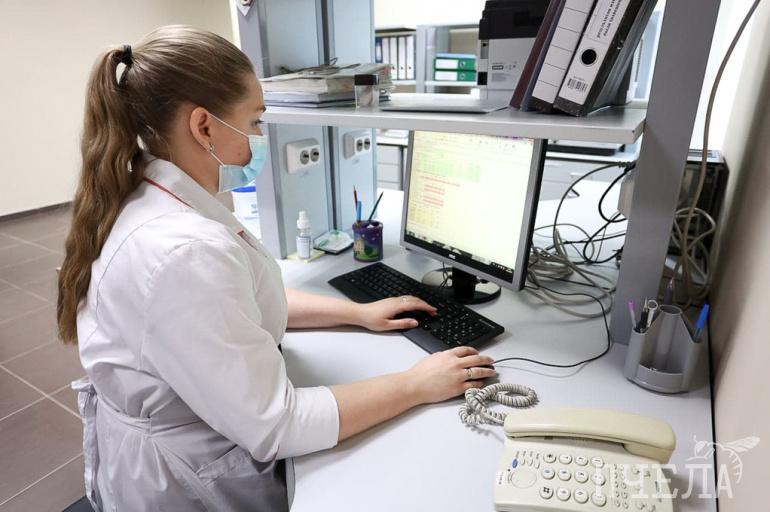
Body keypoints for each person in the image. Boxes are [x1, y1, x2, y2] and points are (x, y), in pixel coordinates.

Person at [56, 25, 495, 512]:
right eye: (255, 121)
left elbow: (237, 304)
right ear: (204, 127)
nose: (260, 137)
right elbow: (277, 425)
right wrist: (415, 384)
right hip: (184, 477)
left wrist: (358, 314)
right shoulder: (181, 250)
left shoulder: (153, 197)